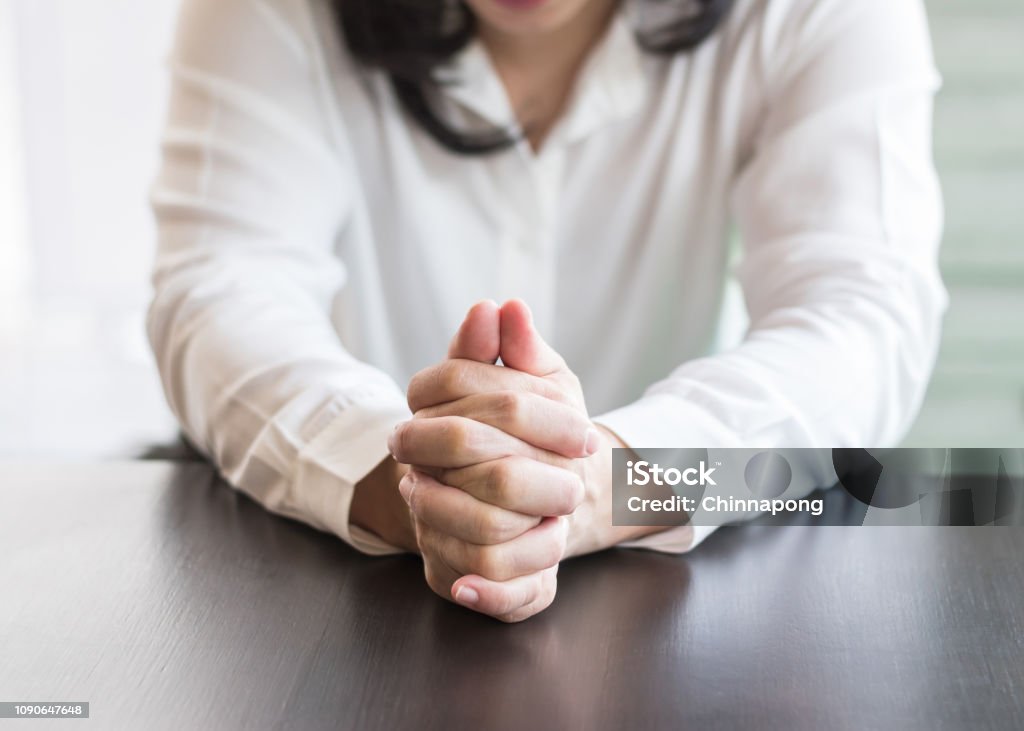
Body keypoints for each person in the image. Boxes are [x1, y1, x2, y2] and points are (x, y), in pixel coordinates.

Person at [148, 0, 945, 622]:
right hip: (336, 587)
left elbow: (866, 313)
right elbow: (221, 288)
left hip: (675, 596)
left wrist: (604, 485)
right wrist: (407, 486)